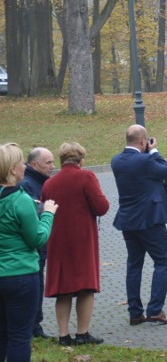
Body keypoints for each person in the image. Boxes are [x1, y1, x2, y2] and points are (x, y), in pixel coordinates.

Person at [42, 142, 110, 346]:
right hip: (82, 240)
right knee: (85, 287)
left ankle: (63, 335)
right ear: (81, 160)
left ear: (61, 161)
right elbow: (102, 207)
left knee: (63, 289)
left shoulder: (49, 183)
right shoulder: (86, 176)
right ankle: (82, 332)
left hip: (57, 240)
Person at [111, 125, 167, 326]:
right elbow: (165, 170)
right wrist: (154, 151)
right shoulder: (146, 159)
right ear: (143, 141)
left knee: (134, 264)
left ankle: (135, 312)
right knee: (163, 260)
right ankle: (155, 309)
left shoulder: (116, 161)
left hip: (128, 220)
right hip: (149, 219)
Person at [0, 143, 57, 360]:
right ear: (12, 169)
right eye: (20, 163)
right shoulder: (20, 200)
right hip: (20, 276)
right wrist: (48, 214)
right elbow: (37, 238)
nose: (24, 166)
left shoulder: (19, 198)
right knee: (19, 336)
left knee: (2, 335)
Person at [17, 147, 55, 340]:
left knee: (38, 285)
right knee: (35, 287)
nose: (53, 166)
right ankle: (33, 327)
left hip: (39, 246)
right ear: (34, 164)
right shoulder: (28, 185)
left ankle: (34, 325)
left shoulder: (39, 181)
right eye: (48, 163)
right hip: (33, 247)